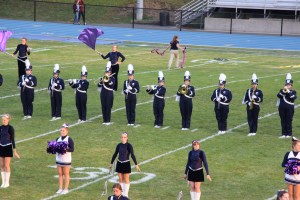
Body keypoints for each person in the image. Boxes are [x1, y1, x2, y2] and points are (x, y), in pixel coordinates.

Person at [110, 132, 140, 197]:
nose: (123, 138)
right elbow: (115, 154)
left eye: (124, 137)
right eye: (122, 137)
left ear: (127, 138)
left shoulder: (129, 145)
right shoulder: (119, 145)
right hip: (119, 163)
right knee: (120, 179)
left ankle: (126, 194)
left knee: (126, 179)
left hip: (126, 163)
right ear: (120, 138)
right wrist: (111, 163)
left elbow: (132, 155)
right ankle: (121, 193)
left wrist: (136, 164)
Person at [0, 114, 20, 188]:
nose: (3, 121)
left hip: (8, 147)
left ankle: (7, 182)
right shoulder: (0, 127)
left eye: (5, 119)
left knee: (6, 165)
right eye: (2, 120)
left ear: (8, 120)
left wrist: (14, 151)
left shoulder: (10, 128)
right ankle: (3, 182)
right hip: (1, 147)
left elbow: (12, 140)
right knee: (1, 165)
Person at [55, 123, 74, 195]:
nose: (62, 132)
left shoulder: (69, 139)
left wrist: (65, 149)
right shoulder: (58, 139)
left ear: (67, 131)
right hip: (59, 159)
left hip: (66, 159)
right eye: (61, 130)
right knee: (60, 174)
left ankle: (66, 189)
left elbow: (72, 149)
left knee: (66, 174)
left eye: (63, 130)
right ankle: (60, 188)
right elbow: (55, 148)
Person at [278, 73, 297, 139]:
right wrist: (284, 91)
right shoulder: (282, 90)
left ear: (291, 85)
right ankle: (284, 133)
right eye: (287, 85)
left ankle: (289, 133)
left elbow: (292, 98)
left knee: (288, 120)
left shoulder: (293, 91)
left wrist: (288, 91)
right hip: (282, 108)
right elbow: (279, 95)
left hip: (289, 108)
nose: (288, 86)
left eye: (289, 85)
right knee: (283, 120)